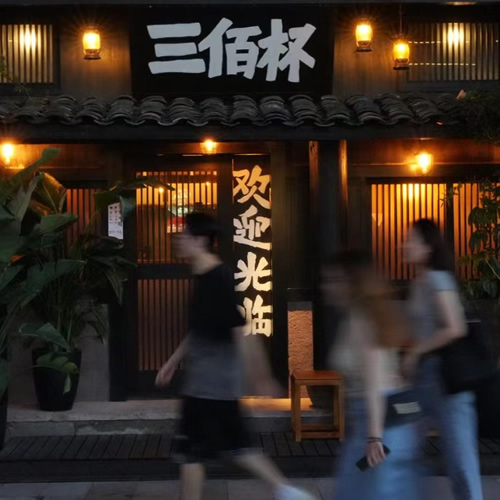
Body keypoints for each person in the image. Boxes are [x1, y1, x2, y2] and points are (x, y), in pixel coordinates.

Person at [156, 211, 316, 500]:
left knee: (223, 447)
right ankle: (287, 491)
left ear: (200, 240)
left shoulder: (218, 279)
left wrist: (260, 378)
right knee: (206, 449)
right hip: (204, 383)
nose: (178, 239)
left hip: (213, 384)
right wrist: (172, 362)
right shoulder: (203, 277)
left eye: (184, 234)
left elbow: (242, 330)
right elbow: (198, 330)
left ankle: (288, 492)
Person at [324, 251, 420, 500]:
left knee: (361, 491)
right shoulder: (364, 316)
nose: (327, 286)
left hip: (377, 423)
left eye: (335, 280)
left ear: (352, 282)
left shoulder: (361, 319)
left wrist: (374, 436)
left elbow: (374, 381)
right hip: (377, 423)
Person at [404, 218, 483, 500]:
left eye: (411, 240)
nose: (404, 245)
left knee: (460, 458)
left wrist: (417, 351)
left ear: (427, 247)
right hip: (423, 380)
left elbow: (455, 327)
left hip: (447, 381)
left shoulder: (438, 279)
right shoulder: (419, 282)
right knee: (402, 444)